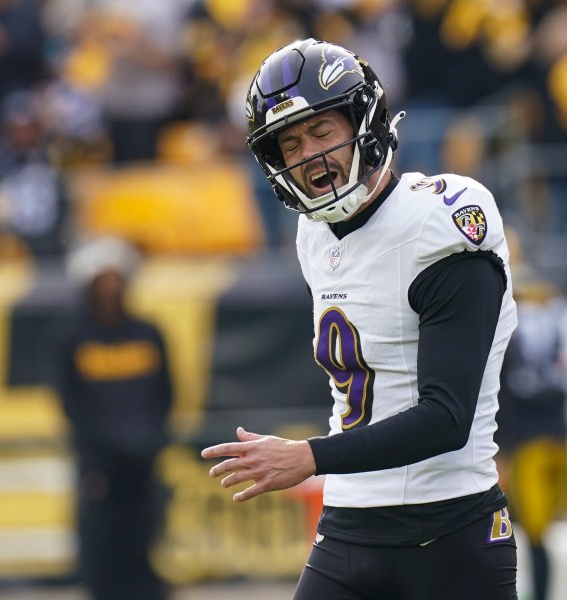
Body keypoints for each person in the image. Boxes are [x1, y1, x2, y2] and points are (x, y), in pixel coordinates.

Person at [201, 38, 519, 599]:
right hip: (348, 526)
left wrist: (309, 456)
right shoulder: (311, 234)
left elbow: (447, 417)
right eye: (290, 144)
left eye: (322, 131)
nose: (308, 155)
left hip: (450, 530)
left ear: (363, 122)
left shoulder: (440, 219)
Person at [52, 236, 172, 600]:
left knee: (145, 547)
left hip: (144, 463)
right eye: (104, 279)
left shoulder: (148, 333)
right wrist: (94, 457)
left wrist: (151, 441)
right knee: (102, 554)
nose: (112, 287)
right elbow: (71, 405)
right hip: (98, 468)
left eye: (117, 278)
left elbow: (165, 393)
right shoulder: (72, 338)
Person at [495, 232, 567, 600]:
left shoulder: (500, 299)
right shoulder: (550, 298)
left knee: (533, 534)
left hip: (526, 438)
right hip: (556, 429)